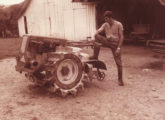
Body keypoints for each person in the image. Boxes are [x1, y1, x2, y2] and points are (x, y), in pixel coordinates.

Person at [90, 10, 124, 86]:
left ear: (110, 18)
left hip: (115, 45)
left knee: (118, 63)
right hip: (108, 42)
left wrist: (118, 48)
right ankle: (95, 55)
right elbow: (98, 31)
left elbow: (122, 36)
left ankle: (120, 80)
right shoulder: (105, 24)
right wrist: (93, 38)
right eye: (105, 19)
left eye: (106, 19)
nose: (105, 20)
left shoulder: (118, 24)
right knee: (97, 36)